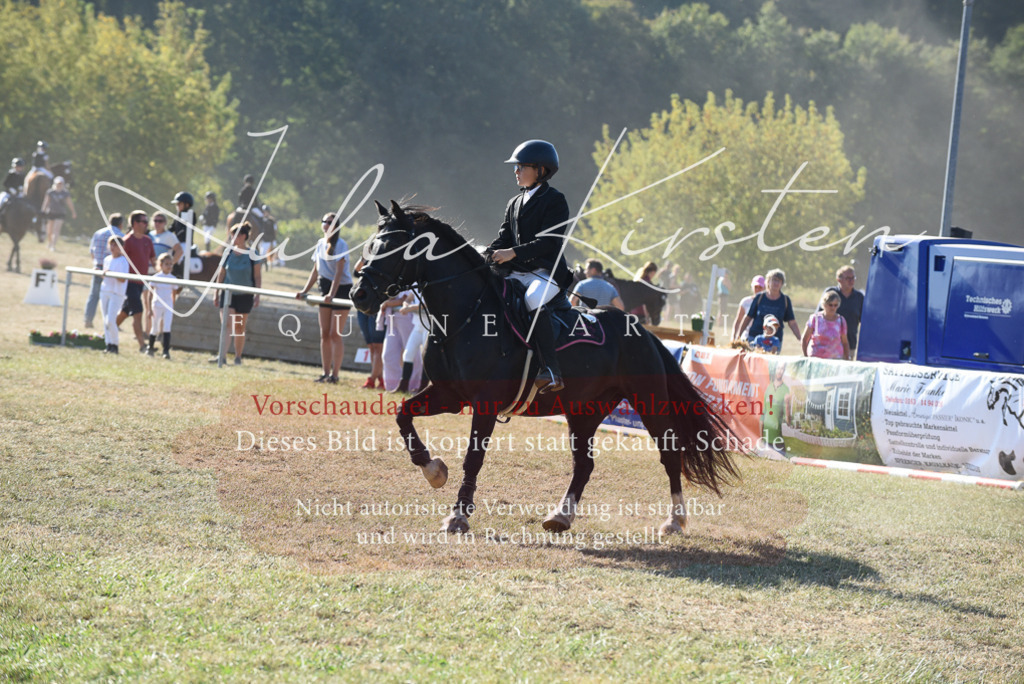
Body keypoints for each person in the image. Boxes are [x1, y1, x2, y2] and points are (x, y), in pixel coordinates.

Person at [488, 139, 573, 393]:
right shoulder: (514, 202)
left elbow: (549, 242)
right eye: (516, 167)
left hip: (546, 273)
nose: (516, 171)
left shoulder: (555, 200)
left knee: (532, 299)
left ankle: (551, 370)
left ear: (541, 170)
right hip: (516, 272)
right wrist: (486, 253)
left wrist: (512, 252)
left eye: (521, 166)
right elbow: (503, 238)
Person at [296, 212, 352, 383]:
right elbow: (316, 271)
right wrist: (304, 290)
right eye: (325, 221)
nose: (327, 225)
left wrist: (332, 294)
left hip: (341, 289)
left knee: (335, 334)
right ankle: (325, 373)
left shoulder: (341, 244)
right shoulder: (320, 243)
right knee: (325, 334)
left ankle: (335, 375)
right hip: (326, 288)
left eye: (330, 222)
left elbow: (339, 273)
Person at [212, 222, 262, 365]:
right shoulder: (227, 253)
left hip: (245, 295)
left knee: (239, 327)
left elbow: (257, 276)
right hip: (228, 294)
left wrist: (257, 295)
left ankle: (238, 357)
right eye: (232, 234)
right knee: (227, 325)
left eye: (237, 235)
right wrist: (216, 292)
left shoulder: (252, 254)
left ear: (244, 236)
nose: (234, 238)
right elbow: (221, 274)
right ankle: (222, 356)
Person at [115, 210, 156, 353]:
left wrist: (163, 272)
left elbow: (153, 261)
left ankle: (107, 332)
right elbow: (119, 260)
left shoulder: (147, 241)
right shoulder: (127, 241)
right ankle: (143, 346)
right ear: (134, 223)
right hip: (130, 282)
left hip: (141, 283)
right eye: (143, 221)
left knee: (125, 312)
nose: (146, 224)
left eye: (146, 221)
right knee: (138, 313)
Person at [736, 268, 801, 347]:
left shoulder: (785, 300)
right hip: (755, 339)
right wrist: (738, 336)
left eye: (779, 281)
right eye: (774, 280)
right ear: (768, 282)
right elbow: (748, 318)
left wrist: (800, 339)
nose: (776, 283)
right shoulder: (760, 297)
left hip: (774, 342)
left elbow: (792, 323)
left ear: (782, 284)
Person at [378, 290, 424, 393]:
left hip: (406, 317)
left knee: (412, 354)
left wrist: (387, 303)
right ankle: (392, 386)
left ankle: (413, 386)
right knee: (388, 355)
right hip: (392, 316)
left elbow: (404, 299)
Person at [85, 213, 125, 328]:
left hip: (98, 266)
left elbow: (92, 251)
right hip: (111, 268)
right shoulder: (120, 235)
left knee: (94, 295)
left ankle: (88, 320)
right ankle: (111, 322)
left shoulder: (98, 233)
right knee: (111, 296)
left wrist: (96, 262)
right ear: (120, 224)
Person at [821, 265, 865, 354]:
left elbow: (864, 320)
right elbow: (818, 316)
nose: (851, 281)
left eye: (853, 278)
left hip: (849, 345)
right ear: (839, 279)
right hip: (828, 344)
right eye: (848, 278)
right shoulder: (830, 293)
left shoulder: (859, 297)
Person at [100, 236, 130, 354]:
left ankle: (115, 343)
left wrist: (111, 273)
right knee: (105, 319)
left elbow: (122, 279)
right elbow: (105, 276)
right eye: (111, 244)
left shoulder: (123, 261)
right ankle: (108, 344)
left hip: (116, 293)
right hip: (105, 290)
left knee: (111, 320)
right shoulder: (107, 259)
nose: (113, 247)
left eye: (116, 245)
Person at [147, 253, 180, 359]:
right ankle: (150, 346)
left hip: (168, 305)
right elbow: (150, 293)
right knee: (155, 327)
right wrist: (149, 309)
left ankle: (166, 350)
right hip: (157, 304)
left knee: (167, 327)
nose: (169, 266)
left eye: (171, 264)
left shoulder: (173, 279)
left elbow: (174, 294)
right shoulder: (156, 277)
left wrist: (172, 305)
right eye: (167, 264)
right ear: (161, 265)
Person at [803, 289, 851, 360]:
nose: (833, 308)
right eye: (830, 305)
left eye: (835, 305)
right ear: (824, 304)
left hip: (835, 359)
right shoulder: (815, 318)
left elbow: (845, 342)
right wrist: (806, 357)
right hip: (815, 358)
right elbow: (804, 339)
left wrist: (847, 358)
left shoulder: (841, 320)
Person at [761, 361, 792, 455]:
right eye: (778, 368)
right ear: (775, 369)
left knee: (783, 461)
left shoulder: (786, 389)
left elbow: (788, 422)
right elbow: (762, 415)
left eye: (782, 369)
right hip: (765, 439)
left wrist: (787, 404)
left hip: (777, 440)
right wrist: (760, 438)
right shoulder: (768, 387)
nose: (780, 371)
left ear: (784, 371)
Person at [40, 175, 75, 251]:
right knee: (49, 231)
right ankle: (50, 242)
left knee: (56, 230)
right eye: (58, 183)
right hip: (50, 213)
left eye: (61, 183)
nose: (59, 185)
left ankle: (53, 245)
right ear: (55, 183)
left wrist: (73, 212)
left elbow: (69, 203)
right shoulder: (50, 192)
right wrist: (43, 211)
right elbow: (46, 202)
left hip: (60, 213)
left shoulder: (65, 193)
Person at [169, 191, 196, 278]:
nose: (177, 206)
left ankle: (180, 275)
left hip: (185, 242)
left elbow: (184, 230)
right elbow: (172, 227)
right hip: (177, 242)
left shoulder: (190, 214)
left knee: (179, 256)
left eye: (179, 204)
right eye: (176, 204)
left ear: (187, 204)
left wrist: (174, 237)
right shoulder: (178, 214)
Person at [731, 275, 766, 341]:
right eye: (756, 287)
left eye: (760, 287)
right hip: (746, 335)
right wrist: (734, 336)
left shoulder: (767, 303)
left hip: (761, 336)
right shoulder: (745, 301)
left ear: (764, 288)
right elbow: (738, 320)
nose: (758, 289)